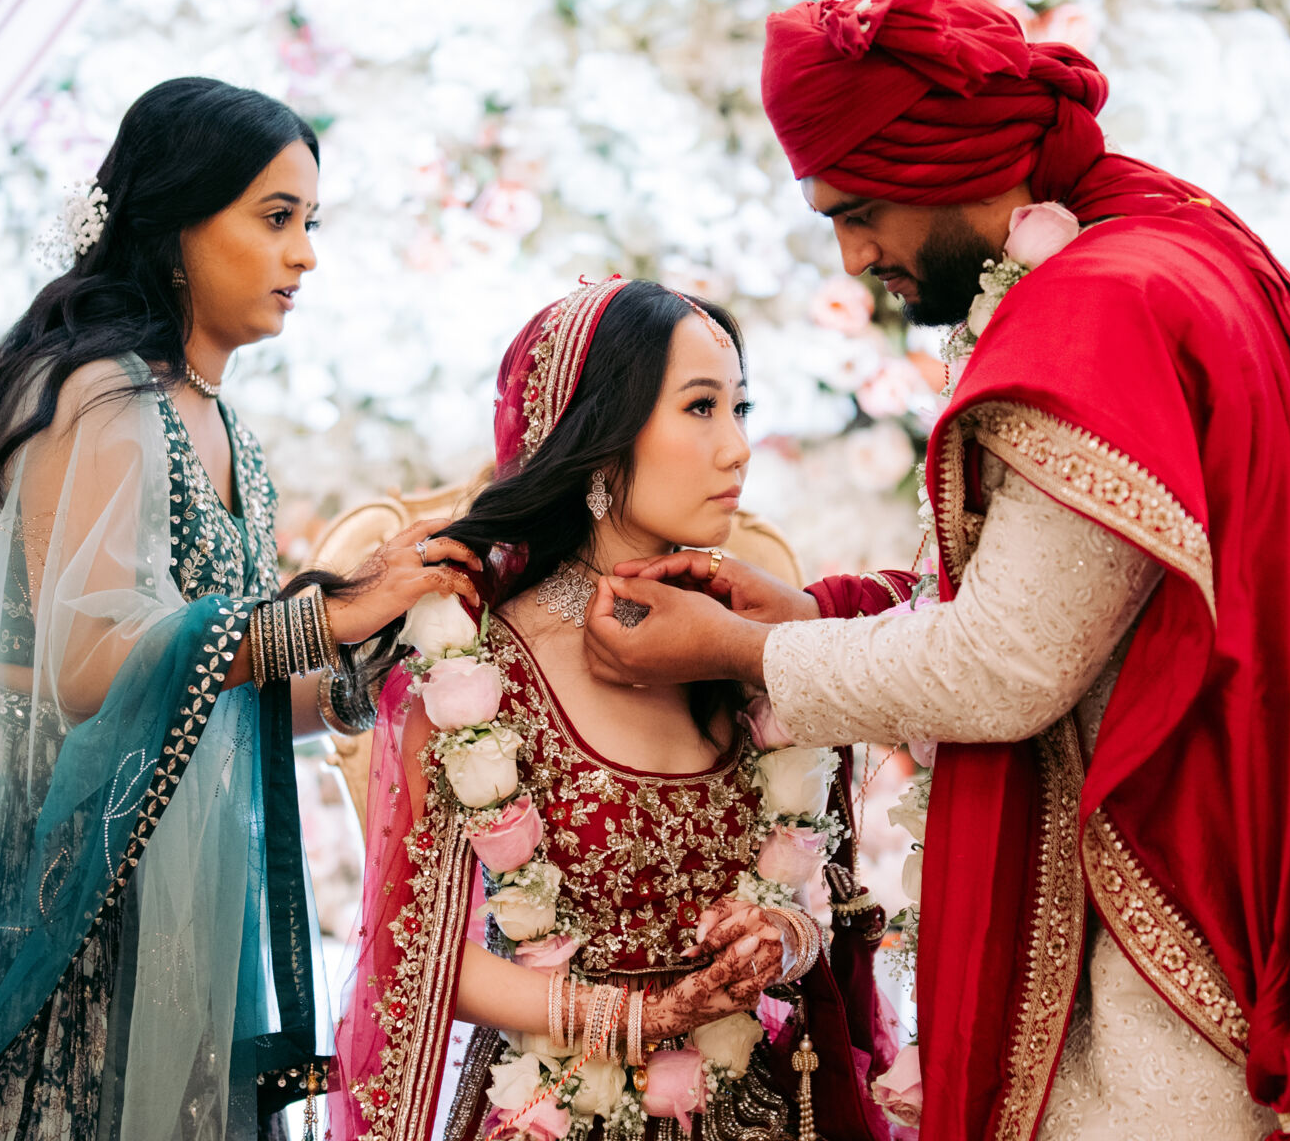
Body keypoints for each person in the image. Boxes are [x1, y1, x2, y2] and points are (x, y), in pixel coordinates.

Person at [579, 0, 1290, 1140]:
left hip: (1226, 884)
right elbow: (1078, 586)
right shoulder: (1154, 233)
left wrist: (747, 649)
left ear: (942, 165)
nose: (852, 256)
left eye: (862, 211)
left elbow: (1007, 665)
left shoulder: (1102, 311)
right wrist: (814, 613)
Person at [0, 77, 477, 1141]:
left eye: (311, 223)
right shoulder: (101, 393)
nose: (305, 255)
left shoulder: (224, 429)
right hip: (20, 837)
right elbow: (90, 662)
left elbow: (223, 688)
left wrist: (380, 658)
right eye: (276, 217)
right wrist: (329, 614)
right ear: (177, 221)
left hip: (140, 842)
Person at [330, 277, 899, 1141]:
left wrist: (785, 936)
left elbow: (824, 892)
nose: (739, 448)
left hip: (760, 1099)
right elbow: (418, 956)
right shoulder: (477, 670)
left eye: (741, 408)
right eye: (701, 408)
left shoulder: (747, 640)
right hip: (560, 1101)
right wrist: (638, 1019)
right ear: (598, 444)